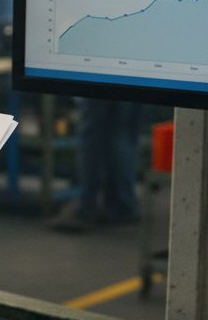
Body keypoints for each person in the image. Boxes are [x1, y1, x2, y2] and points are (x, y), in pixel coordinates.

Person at [49, 97, 142, 230]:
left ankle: (86, 206)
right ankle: (122, 205)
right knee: (122, 133)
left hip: (100, 80)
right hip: (134, 80)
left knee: (91, 136)